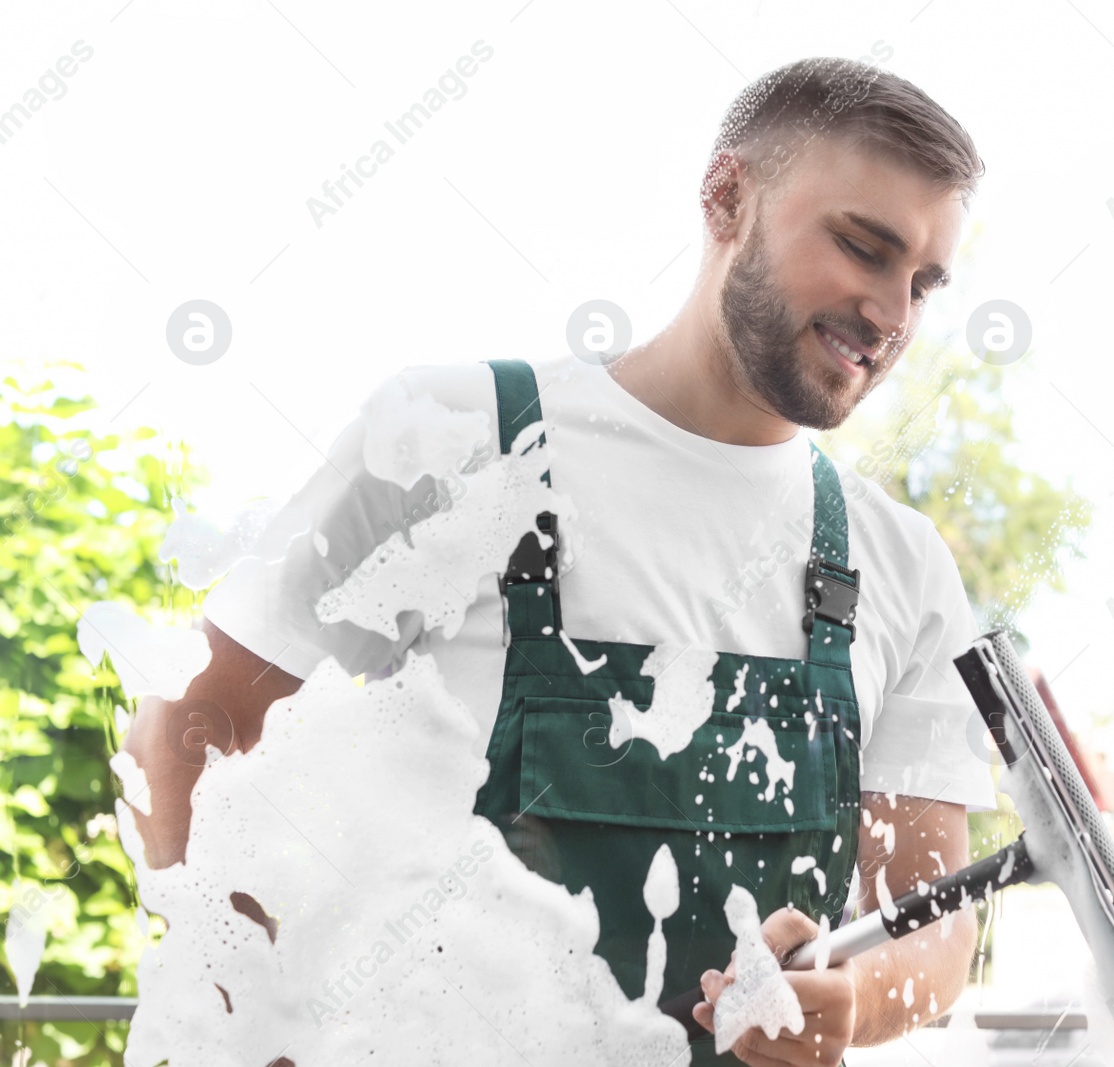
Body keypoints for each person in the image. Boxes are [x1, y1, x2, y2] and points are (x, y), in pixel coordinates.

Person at [124, 55, 996, 1066]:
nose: (890, 314)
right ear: (726, 197)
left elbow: (932, 921)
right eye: (862, 246)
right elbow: (192, 727)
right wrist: (250, 1015)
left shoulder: (901, 563)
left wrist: (858, 995)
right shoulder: (461, 443)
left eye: (923, 284)